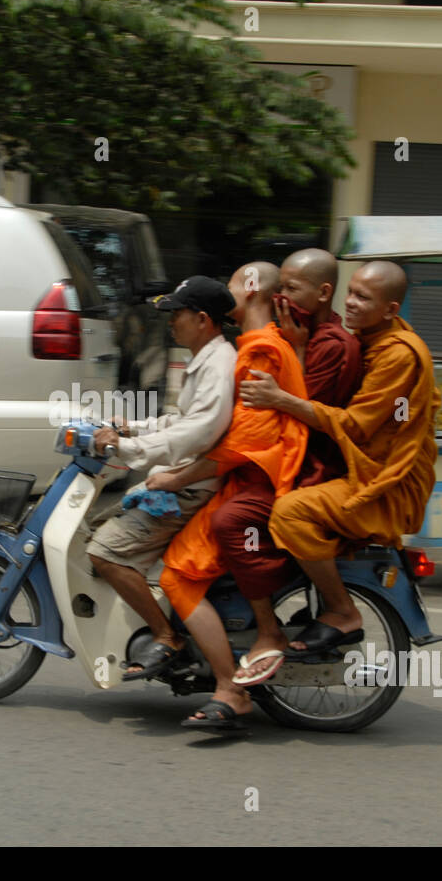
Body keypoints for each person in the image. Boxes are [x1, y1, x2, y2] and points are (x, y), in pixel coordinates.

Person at [241, 260, 439, 655]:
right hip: (365, 468)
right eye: (351, 292)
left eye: (363, 298)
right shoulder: (370, 339)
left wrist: (280, 398)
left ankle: (341, 610)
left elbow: (356, 425)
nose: (350, 303)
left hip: (385, 484)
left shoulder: (398, 354)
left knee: (291, 513)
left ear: (391, 310)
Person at [148, 261, 308, 730]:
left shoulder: (260, 350)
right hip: (245, 476)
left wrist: (176, 478)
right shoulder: (260, 346)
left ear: (253, 289)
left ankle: (231, 686)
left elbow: (245, 442)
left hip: (259, 481)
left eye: (234, 283)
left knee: (179, 575)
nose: (227, 289)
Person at [207, 248, 364, 687]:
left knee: (231, 520)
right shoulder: (297, 332)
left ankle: (267, 628)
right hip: (287, 462)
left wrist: (294, 350)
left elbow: (301, 414)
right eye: (281, 289)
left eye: (292, 289)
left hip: (315, 470)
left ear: (323, 292)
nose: (283, 297)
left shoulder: (331, 343)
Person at [87, 276, 238, 680]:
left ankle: (166, 637)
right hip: (176, 478)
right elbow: (180, 421)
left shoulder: (219, 367)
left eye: (177, 314)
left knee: (103, 553)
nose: (171, 322)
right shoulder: (205, 359)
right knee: (96, 529)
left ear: (203, 319)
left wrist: (128, 448)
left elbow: (198, 432)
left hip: (188, 489)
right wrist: (132, 428)